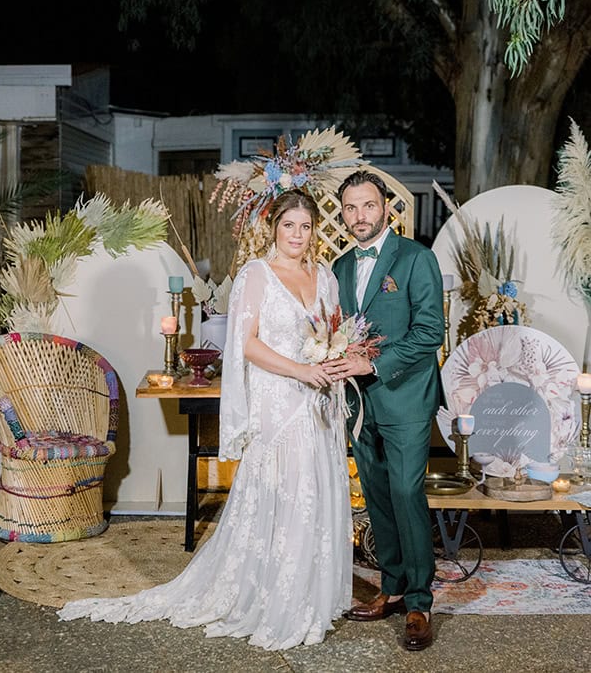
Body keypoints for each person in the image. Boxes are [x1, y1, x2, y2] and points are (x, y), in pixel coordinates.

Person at [58, 189, 353, 650]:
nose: (297, 235)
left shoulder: (326, 276)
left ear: (315, 231)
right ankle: (274, 597)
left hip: (319, 403)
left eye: (306, 226)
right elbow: (246, 344)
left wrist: (334, 361)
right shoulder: (257, 274)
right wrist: (301, 369)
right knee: (283, 492)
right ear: (274, 227)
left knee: (313, 493)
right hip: (279, 402)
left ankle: (309, 596)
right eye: (289, 225)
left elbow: (333, 330)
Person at [322, 170, 444, 651]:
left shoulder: (416, 259)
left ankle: (420, 601)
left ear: (386, 208)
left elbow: (429, 331)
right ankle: (391, 587)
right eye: (350, 208)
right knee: (376, 495)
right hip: (357, 403)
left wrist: (372, 363)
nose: (359, 217)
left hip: (407, 397)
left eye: (367, 206)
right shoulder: (340, 267)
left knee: (406, 492)